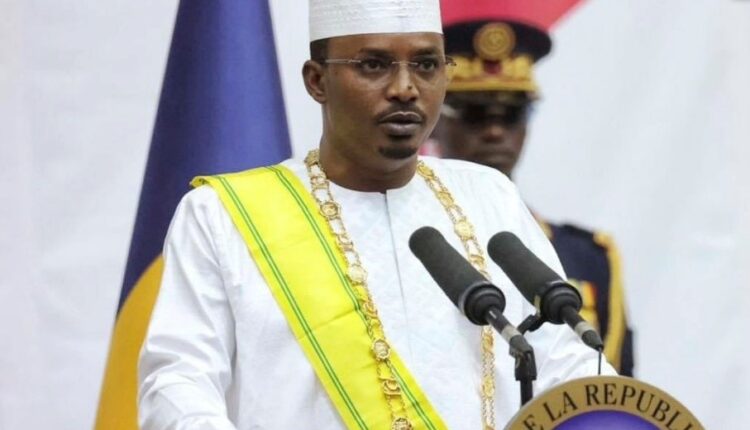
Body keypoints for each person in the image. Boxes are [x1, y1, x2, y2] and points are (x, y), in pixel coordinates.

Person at [137, 2, 615, 429]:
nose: (405, 88)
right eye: (374, 65)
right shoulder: (223, 215)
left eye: (426, 65)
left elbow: (567, 365)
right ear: (317, 81)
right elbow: (178, 382)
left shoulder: (488, 195)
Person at [432, 18, 635, 376]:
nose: (495, 131)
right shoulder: (408, 245)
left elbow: (613, 390)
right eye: (475, 114)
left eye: (512, 114)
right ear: (435, 120)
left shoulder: (588, 257)